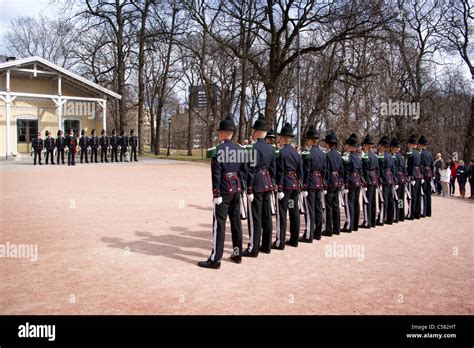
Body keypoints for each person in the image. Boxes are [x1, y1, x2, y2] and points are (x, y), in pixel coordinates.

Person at [198, 116, 245, 269]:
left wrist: (216, 193)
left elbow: (216, 174)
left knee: (219, 224)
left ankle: (216, 259)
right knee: (236, 223)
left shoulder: (218, 150)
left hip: (224, 191)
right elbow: (243, 172)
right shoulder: (239, 149)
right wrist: (241, 189)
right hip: (236, 189)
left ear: (223, 133)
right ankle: (237, 253)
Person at [243, 114, 275, 256]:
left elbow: (250, 170)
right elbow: (273, 169)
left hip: (256, 184)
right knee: (266, 216)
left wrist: (248, 188)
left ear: (256, 131)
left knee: (255, 218)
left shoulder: (253, 148)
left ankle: (253, 248)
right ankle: (266, 246)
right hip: (267, 183)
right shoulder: (270, 148)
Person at [272, 122, 303, 249]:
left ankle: (280, 241)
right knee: (294, 212)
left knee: (282, 213)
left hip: (285, 186)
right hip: (294, 185)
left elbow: (279, 171)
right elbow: (300, 171)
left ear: (283, 138)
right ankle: (294, 240)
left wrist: (279, 187)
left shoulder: (281, 152)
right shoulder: (296, 152)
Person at [301, 125, 326, 241]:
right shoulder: (322, 153)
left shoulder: (308, 153)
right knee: (318, 208)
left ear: (310, 140)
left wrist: (304, 185)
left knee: (309, 209)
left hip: (310, 182)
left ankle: (309, 235)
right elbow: (324, 170)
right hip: (319, 182)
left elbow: (306, 170)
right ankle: (318, 233)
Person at [341, 133, 364, 233]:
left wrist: (345, 183)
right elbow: (361, 170)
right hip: (358, 180)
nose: (346, 147)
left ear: (350, 146)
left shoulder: (348, 156)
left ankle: (349, 224)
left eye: (347, 145)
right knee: (356, 203)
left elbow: (345, 171)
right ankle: (355, 225)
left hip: (350, 181)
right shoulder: (358, 157)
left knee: (349, 203)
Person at [322, 131, 343, 237]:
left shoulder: (327, 155)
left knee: (329, 206)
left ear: (328, 144)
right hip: (337, 181)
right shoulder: (339, 155)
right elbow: (341, 170)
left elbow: (325, 170)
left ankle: (329, 229)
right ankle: (337, 228)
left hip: (330, 181)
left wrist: (324, 183)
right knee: (336, 206)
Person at [376, 136, 396, 225]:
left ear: (382, 146)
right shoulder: (390, 156)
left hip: (384, 179)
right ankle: (390, 218)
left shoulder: (382, 156)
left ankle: (381, 219)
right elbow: (393, 169)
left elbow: (379, 169)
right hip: (390, 178)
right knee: (390, 199)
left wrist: (379, 178)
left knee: (383, 199)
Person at [360, 134, 379, 229]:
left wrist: (364, 181)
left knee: (367, 201)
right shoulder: (375, 156)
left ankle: (367, 221)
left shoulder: (366, 156)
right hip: (374, 179)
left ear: (366, 145)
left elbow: (365, 170)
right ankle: (372, 221)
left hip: (368, 179)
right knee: (373, 201)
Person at [405, 134, 422, 220]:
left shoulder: (410, 152)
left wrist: (409, 175)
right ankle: (417, 213)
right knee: (417, 194)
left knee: (411, 195)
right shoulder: (418, 153)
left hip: (413, 175)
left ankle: (411, 213)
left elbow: (409, 165)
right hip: (418, 174)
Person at [391, 138, 407, 223]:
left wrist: (394, 179)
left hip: (397, 177)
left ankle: (395, 215)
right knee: (401, 198)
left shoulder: (395, 157)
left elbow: (394, 169)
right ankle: (401, 215)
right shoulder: (401, 157)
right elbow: (404, 169)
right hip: (402, 178)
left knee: (396, 198)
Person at [418, 135, 433, 217]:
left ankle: (422, 211)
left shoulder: (421, 154)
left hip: (423, 174)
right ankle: (428, 211)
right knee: (428, 193)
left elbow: (420, 165)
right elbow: (432, 165)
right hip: (429, 174)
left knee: (422, 193)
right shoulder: (430, 154)